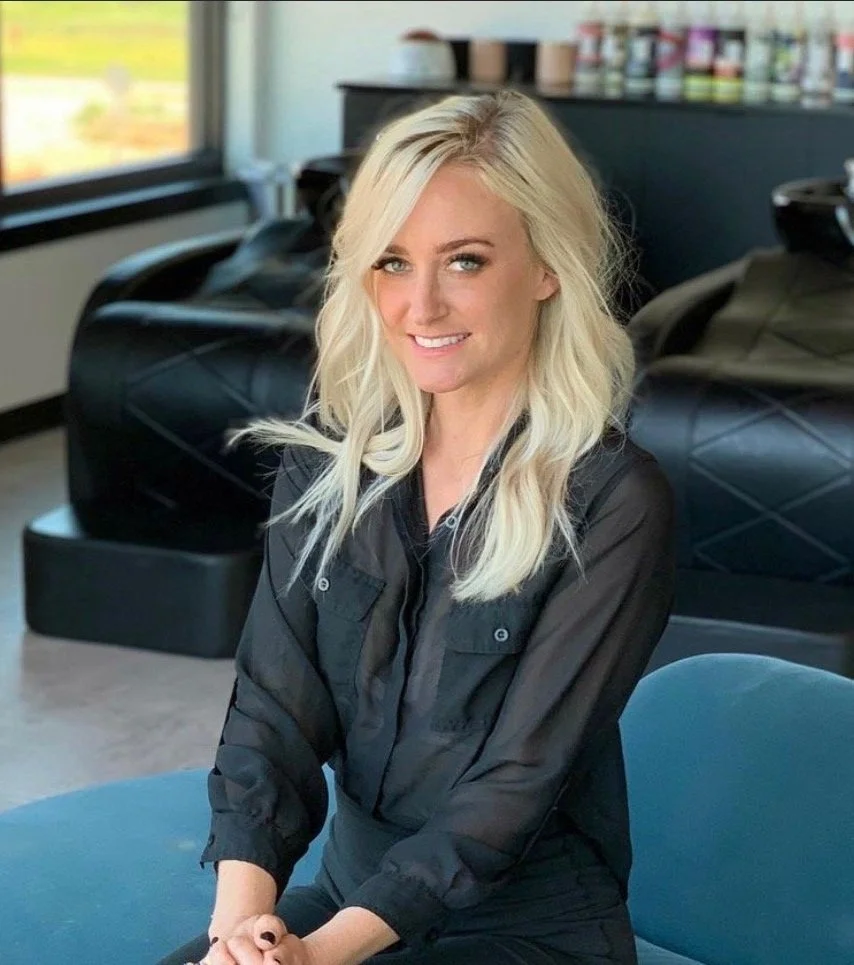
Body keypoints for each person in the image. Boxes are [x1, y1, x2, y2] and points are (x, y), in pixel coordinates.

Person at [159, 89, 675, 965]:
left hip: (524, 931)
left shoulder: (615, 501)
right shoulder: (326, 463)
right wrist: (241, 932)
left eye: (465, 261)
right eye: (392, 262)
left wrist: (322, 956)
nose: (421, 305)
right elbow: (271, 714)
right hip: (344, 895)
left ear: (547, 266)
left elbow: (512, 791)